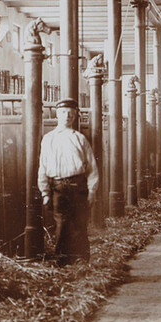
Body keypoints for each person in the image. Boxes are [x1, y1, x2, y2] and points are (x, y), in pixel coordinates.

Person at [38, 98, 100, 266]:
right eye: (64, 113)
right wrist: (44, 192)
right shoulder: (48, 139)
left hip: (78, 187)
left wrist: (92, 191)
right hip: (57, 188)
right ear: (58, 115)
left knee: (79, 224)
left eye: (71, 114)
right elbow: (43, 167)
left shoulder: (79, 139)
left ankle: (81, 261)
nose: (67, 116)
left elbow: (92, 169)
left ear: (75, 117)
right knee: (62, 224)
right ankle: (62, 261)